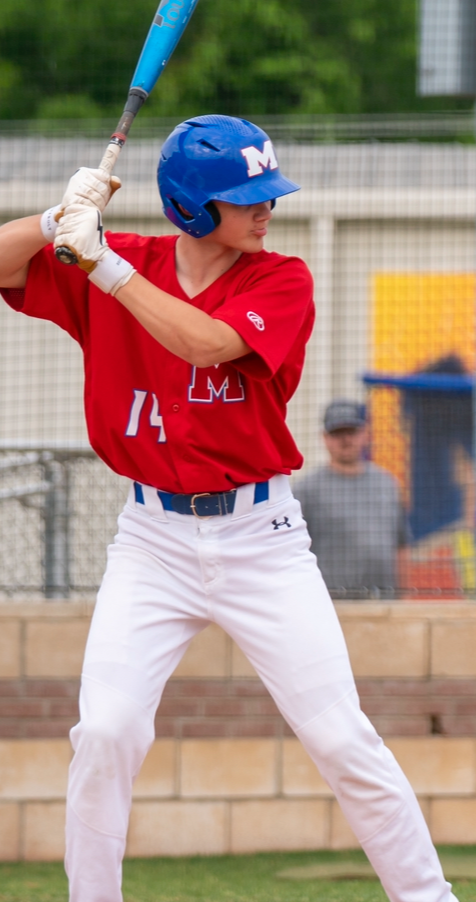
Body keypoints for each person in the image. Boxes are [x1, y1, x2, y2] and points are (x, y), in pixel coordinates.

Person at [0, 115, 455, 902]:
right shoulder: (118, 260)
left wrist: (102, 264)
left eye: (267, 194)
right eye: (246, 198)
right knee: (105, 730)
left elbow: (206, 343)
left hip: (261, 537)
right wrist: (53, 221)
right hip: (151, 539)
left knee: (340, 736)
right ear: (190, 205)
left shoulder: (278, 279)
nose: (265, 208)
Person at [294, 399, 409, 598]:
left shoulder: (386, 483)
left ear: (365, 434)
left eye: (351, 431)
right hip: (331, 601)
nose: (345, 439)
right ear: (325, 438)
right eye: (337, 433)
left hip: (383, 600)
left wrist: (403, 595)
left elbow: (401, 545)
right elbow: (293, 551)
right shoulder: (307, 490)